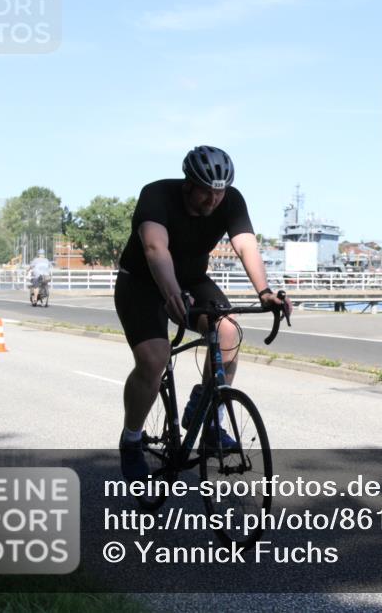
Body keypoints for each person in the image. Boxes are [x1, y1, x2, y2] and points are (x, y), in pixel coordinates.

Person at [114, 145, 289, 481]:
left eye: (219, 193)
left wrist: (264, 292)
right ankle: (132, 439)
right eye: (206, 193)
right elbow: (154, 248)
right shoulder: (156, 195)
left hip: (192, 280)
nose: (213, 201)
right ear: (188, 185)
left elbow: (245, 244)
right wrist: (170, 292)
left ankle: (208, 417)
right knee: (154, 358)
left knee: (229, 333)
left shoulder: (231, 200)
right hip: (142, 283)